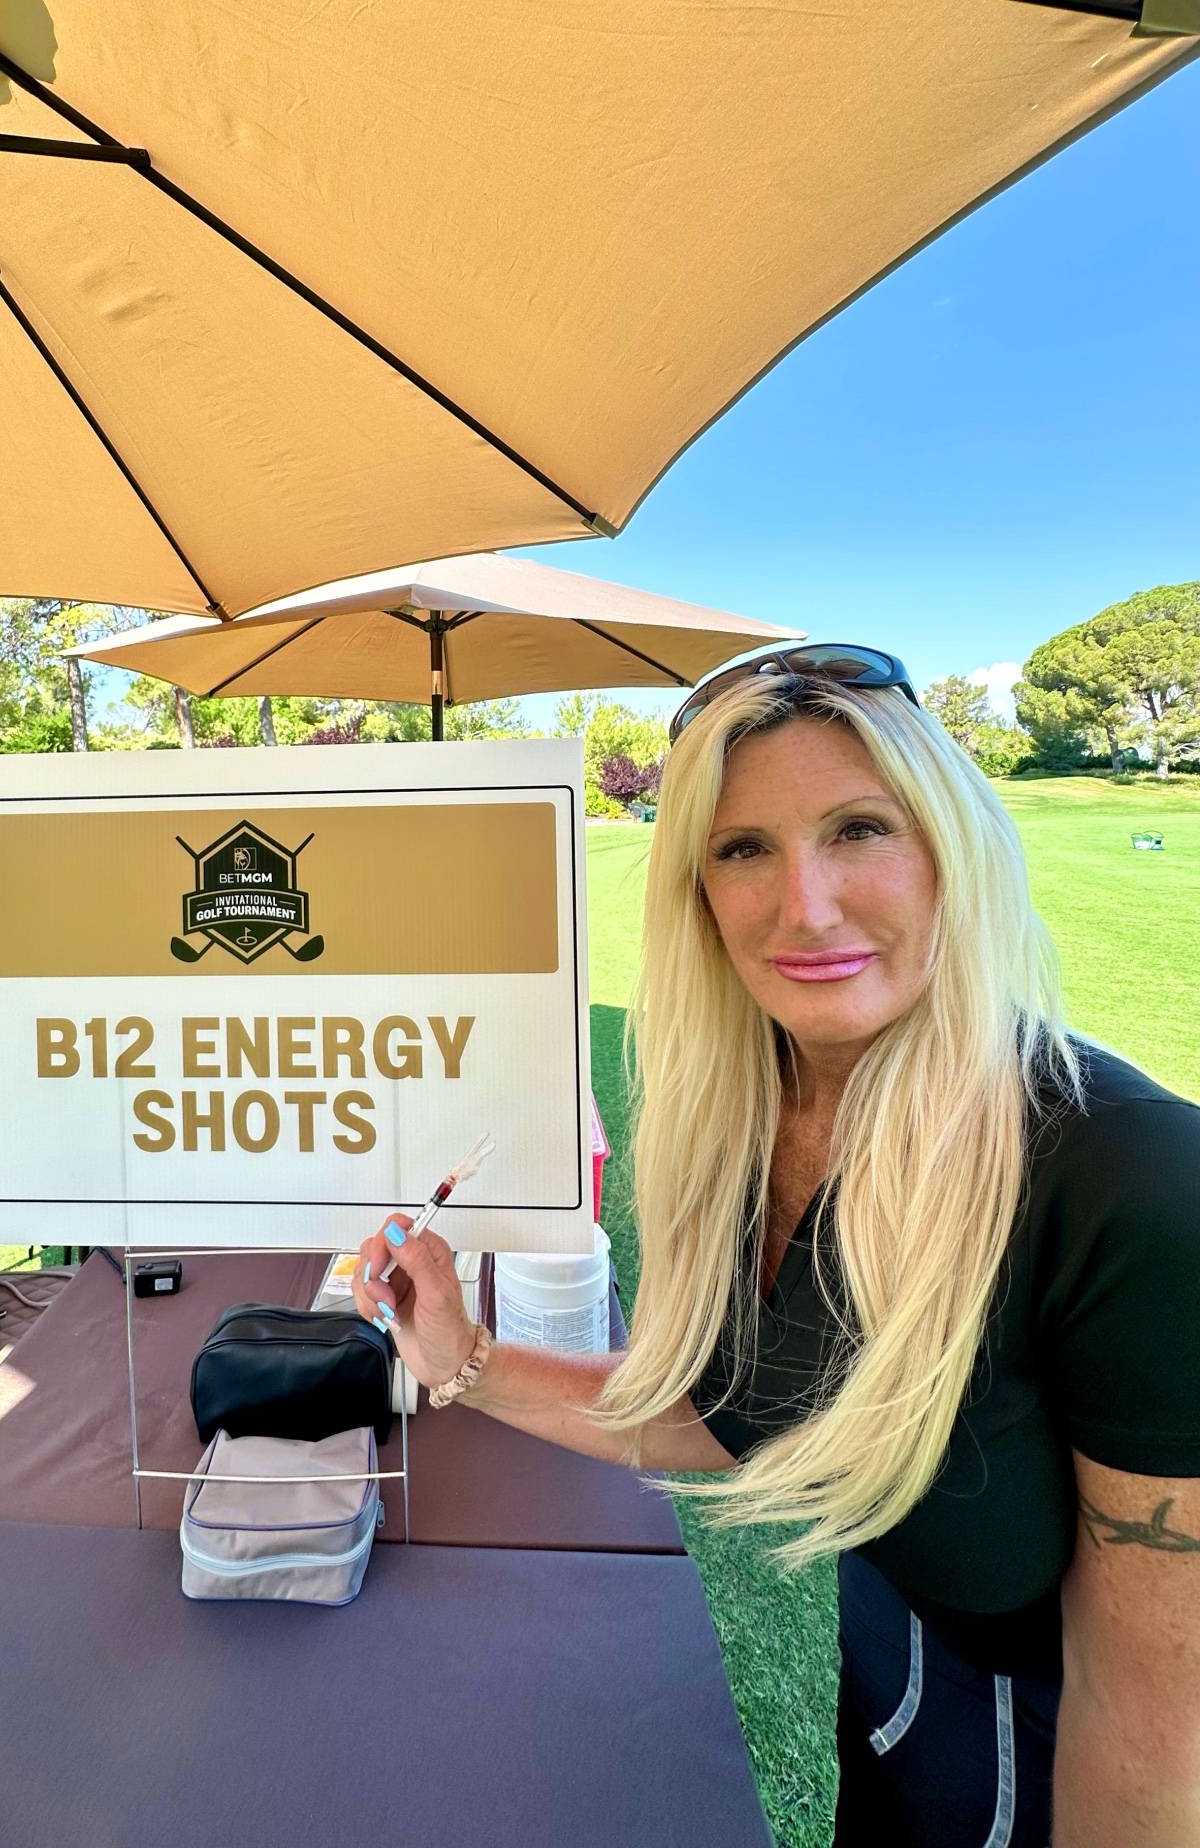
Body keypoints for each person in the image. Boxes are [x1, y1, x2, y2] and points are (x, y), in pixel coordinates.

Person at [353, 644, 1200, 1847]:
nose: (803, 903)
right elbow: (738, 1411)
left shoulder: (1133, 1181)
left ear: (950, 849)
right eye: (743, 846)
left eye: (861, 828)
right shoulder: (750, 1110)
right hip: (896, 1721)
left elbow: (1158, 1732)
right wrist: (464, 1357)